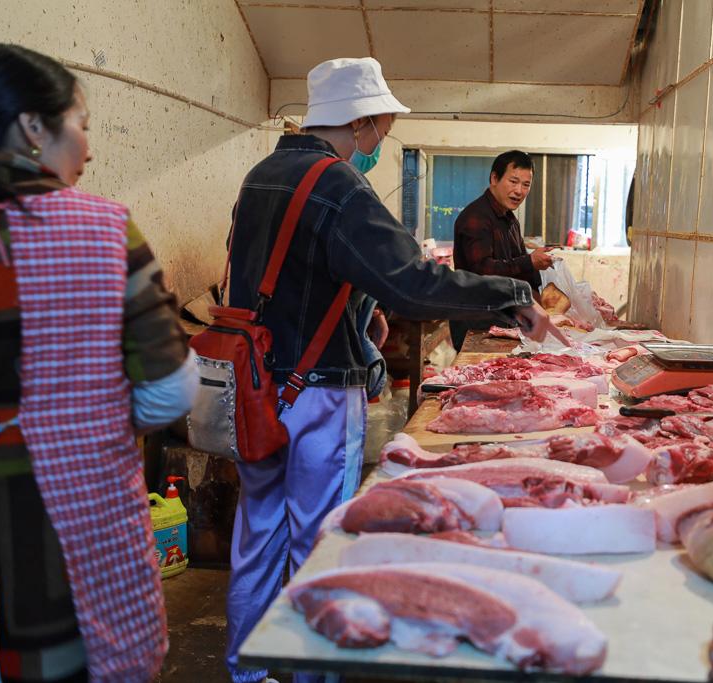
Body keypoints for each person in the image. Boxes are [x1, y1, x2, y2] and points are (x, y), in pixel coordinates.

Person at [224, 57, 553, 683]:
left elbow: (284, 273)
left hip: (257, 384)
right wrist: (510, 296)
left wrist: (357, 308)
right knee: (321, 541)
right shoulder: (340, 184)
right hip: (317, 391)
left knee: (257, 535)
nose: (380, 139)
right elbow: (413, 282)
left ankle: (246, 672)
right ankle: (314, 672)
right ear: (360, 121)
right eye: (381, 126)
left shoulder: (261, 176)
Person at [0, 43, 197, 682]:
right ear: (32, 126)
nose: (88, 149)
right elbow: (171, 391)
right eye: (82, 124)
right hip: (73, 517)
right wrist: (87, 421)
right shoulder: (100, 228)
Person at [449, 150, 556, 349]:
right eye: (513, 181)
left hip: (504, 318)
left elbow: (520, 267)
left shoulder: (510, 219)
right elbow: (482, 271)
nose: (519, 191)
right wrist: (529, 261)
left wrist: (544, 307)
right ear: (494, 178)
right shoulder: (476, 217)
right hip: (477, 321)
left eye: (526, 185)